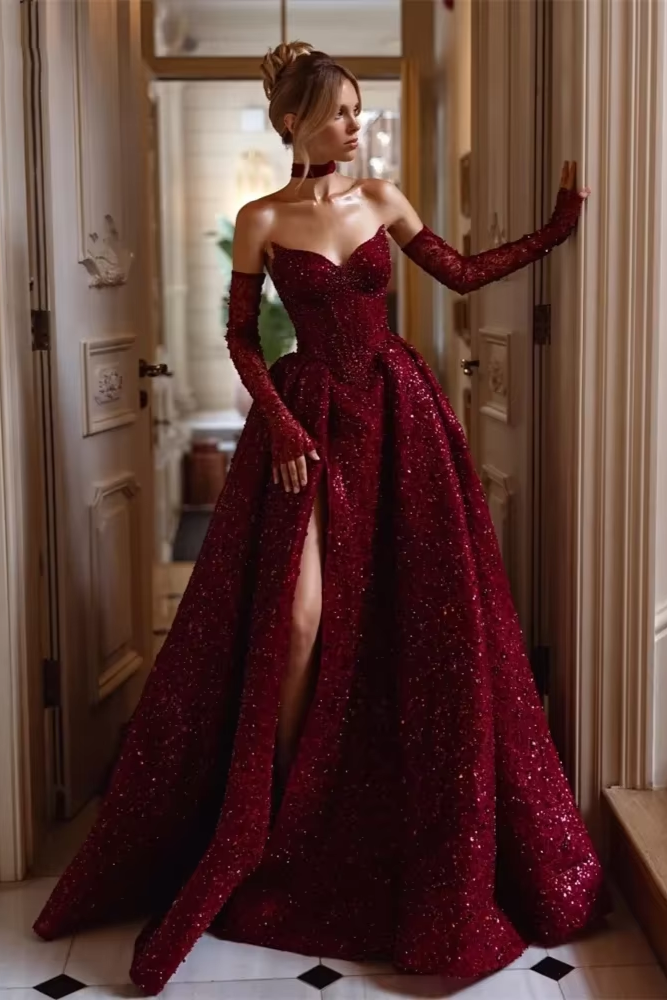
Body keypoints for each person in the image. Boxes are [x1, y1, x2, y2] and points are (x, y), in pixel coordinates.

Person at [33, 41, 608, 996]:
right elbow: (235, 335)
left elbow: (459, 276)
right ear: (293, 122)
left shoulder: (382, 199)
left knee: (415, 617)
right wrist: (286, 420)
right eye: (337, 111)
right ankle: (278, 818)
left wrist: (556, 227)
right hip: (308, 426)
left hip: (399, 419)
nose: (353, 124)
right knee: (295, 625)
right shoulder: (258, 220)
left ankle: (346, 807)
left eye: (356, 109)